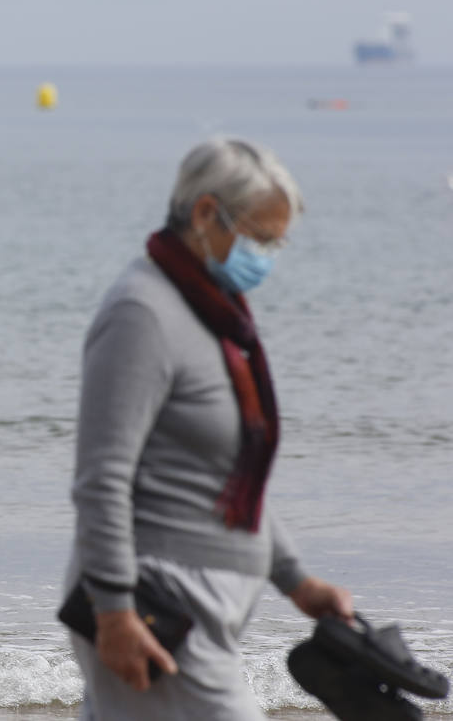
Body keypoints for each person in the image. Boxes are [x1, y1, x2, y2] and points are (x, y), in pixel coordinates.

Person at [66, 137, 354, 719]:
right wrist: (116, 611)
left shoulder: (212, 315)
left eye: (278, 242)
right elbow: (102, 477)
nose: (268, 255)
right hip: (158, 609)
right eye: (262, 238)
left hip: (201, 605)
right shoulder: (142, 313)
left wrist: (296, 580)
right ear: (204, 213)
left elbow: (222, 476)